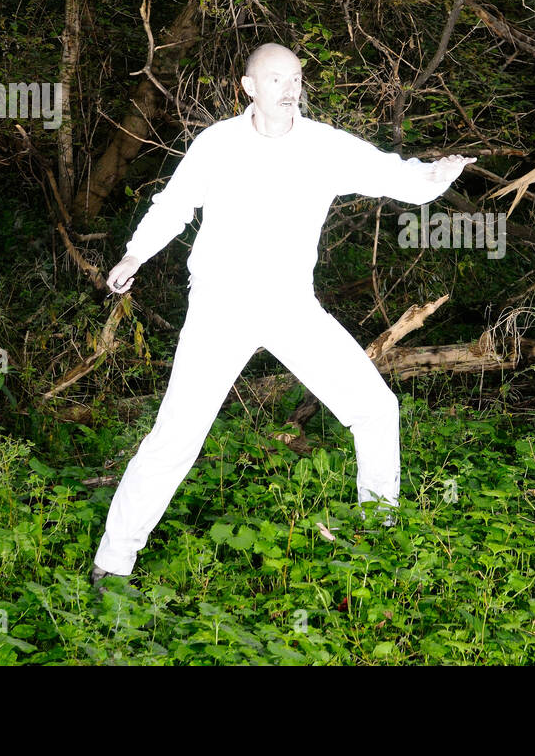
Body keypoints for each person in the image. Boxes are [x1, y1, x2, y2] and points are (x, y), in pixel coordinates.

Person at [90, 42, 474, 586]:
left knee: (376, 408)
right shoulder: (217, 145)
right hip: (221, 305)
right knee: (176, 436)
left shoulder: (324, 147)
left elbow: (392, 175)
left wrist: (438, 174)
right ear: (248, 88)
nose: (291, 89)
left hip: (290, 305)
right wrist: (134, 255)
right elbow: (173, 207)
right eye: (277, 80)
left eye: (296, 78)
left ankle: (377, 540)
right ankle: (112, 563)